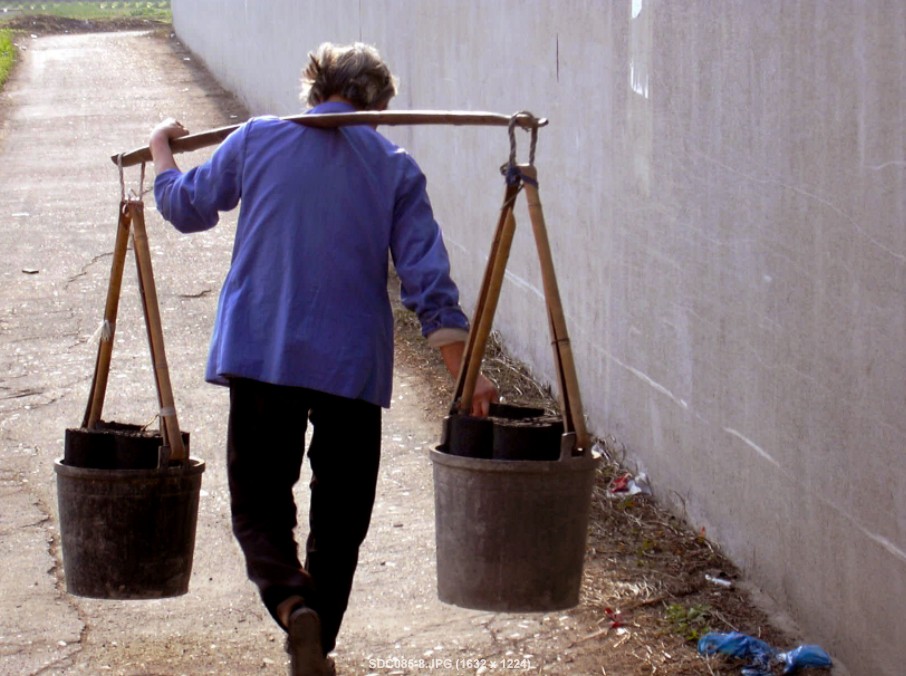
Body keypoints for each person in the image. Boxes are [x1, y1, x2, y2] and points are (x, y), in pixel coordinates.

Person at [149, 42, 498, 675]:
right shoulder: (394, 167)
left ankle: (293, 607)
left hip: (263, 352)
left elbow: (185, 207)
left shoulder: (257, 139)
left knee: (259, 506)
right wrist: (465, 373)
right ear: (380, 106)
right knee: (342, 516)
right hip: (351, 367)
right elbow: (428, 280)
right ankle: (319, 641)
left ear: (315, 89)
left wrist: (160, 151)